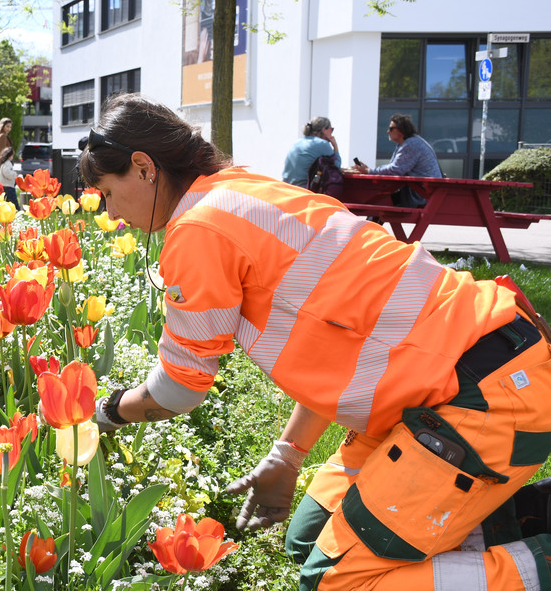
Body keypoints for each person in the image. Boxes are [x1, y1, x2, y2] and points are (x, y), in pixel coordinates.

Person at [81, 93, 551, 591]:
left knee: (337, 582)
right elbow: (340, 339)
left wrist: (100, 415)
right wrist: (287, 456)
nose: (110, 213)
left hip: (481, 397)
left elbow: (178, 389)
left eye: (108, 192)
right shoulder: (242, 189)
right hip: (452, 372)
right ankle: (508, 523)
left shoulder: (198, 230)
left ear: (142, 167)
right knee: (309, 539)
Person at [355, 113, 442, 208]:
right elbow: (394, 168)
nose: (388, 131)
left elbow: (395, 170)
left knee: (379, 200)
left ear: (401, 131)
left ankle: (367, 222)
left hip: (422, 196)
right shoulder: (409, 142)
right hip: (421, 192)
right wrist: (370, 170)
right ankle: (371, 222)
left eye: (391, 129)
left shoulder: (411, 144)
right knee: (380, 200)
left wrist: (369, 171)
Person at [282, 116, 341, 188]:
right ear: (324, 130)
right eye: (331, 129)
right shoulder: (323, 144)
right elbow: (336, 167)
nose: (331, 132)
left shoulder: (298, 142)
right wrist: (335, 146)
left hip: (286, 187)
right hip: (304, 190)